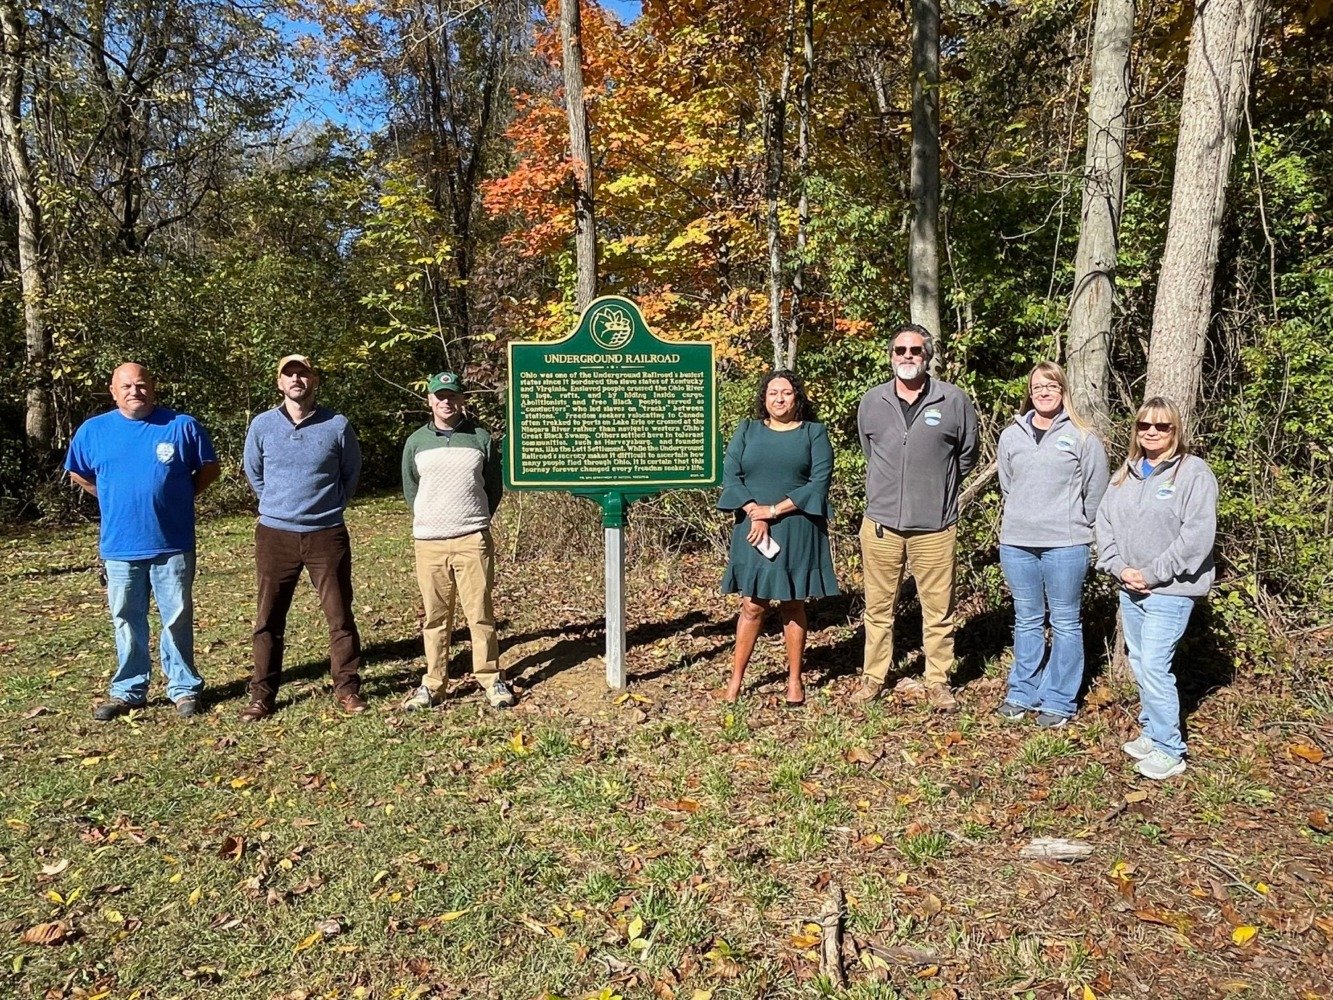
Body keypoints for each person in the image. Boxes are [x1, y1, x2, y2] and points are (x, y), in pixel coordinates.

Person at [65, 362, 220, 720]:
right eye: (127, 386)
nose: (135, 391)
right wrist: (109, 496)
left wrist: (178, 498)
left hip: (172, 542)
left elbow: (209, 468)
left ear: (153, 386)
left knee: (176, 617)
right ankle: (129, 690)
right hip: (120, 546)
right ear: (113, 390)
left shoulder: (182, 426)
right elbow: (77, 472)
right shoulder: (94, 431)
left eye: (141, 384)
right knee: (125, 618)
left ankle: (183, 689)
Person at [853, 323, 979, 710]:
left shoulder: (953, 401)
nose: (908, 356)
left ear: (928, 357)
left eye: (915, 351)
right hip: (881, 525)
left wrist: (935, 489)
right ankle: (874, 677)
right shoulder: (872, 402)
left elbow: (967, 455)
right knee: (877, 609)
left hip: (935, 527)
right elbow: (871, 453)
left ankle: (938, 680)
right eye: (900, 350)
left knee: (938, 611)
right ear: (891, 356)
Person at [1096, 396, 1217, 780]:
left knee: (1154, 665)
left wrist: (1152, 573)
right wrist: (1120, 568)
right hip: (1129, 586)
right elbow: (1104, 525)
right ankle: (1151, 730)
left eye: (1162, 426)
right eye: (1144, 425)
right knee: (1139, 661)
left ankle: (1170, 748)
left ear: (1175, 430)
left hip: (1171, 589)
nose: (1152, 432)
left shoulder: (1192, 473)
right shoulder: (1124, 475)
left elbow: (1197, 537)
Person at [239, 354, 366, 721]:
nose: (296, 379)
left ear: (314, 381)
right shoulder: (262, 425)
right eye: (288, 374)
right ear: (280, 383)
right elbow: (254, 472)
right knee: (269, 617)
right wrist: (278, 505)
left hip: (326, 534)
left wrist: (327, 507)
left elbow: (350, 473)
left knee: (339, 615)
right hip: (275, 534)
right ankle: (262, 695)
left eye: (303, 373)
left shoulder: (337, 425)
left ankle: (346, 688)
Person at [995, 362, 1109, 727]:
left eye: (1052, 386)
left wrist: (1075, 525)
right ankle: (1022, 692)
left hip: (1065, 544)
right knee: (1026, 620)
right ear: (1030, 392)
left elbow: (1096, 493)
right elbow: (1008, 485)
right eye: (1038, 386)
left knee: (1065, 622)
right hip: (1017, 542)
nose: (1044, 392)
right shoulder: (1011, 435)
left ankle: (1059, 700)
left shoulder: (1082, 436)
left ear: (1063, 391)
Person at [717, 370, 839, 706]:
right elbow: (731, 475)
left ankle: (794, 680)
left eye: (786, 393)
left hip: (796, 525)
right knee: (752, 605)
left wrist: (772, 511)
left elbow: (818, 483)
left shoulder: (814, 433)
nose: (780, 399)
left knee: (792, 603)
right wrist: (755, 511)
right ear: (764, 397)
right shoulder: (747, 430)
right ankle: (736, 681)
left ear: (797, 397)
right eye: (773, 393)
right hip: (752, 525)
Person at [401, 371, 513, 710]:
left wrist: (475, 519)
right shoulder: (416, 442)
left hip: (472, 539)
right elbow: (411, 489)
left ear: (462, 400)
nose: (446, 401)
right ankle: (434, 684)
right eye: (440, 396)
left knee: (480, 613)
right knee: (435, 618)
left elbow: (493, 487)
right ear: (430, 401)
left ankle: (491, 678)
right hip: (430, 542)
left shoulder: (481, 438)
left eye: (452, 396)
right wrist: (433, 517)